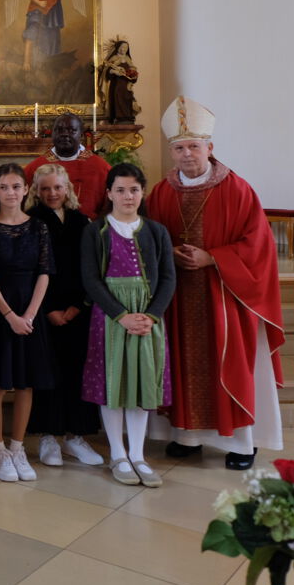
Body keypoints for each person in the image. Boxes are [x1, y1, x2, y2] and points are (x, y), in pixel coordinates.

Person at [149, 96, 284, 470]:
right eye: (179, 147)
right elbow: (150, 238)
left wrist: (213, 258)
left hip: (226, 296)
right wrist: (169, 253)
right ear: (171, 152)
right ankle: (187, 436)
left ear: (210, 147)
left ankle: (242, 444)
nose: (187, 153)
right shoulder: (161, 192)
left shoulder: (237, 190)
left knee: (232, 363)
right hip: (178, 296)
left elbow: (257, 246)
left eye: (194, 145)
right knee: (182, 363)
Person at [81, 163, 176, 487]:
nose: (127, 196)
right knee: (115, 385)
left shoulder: (155, 231)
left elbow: (167, 278)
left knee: (141, 383)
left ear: (143, 192)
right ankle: (118, 454)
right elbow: (91, 279)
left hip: (148, 316)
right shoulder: (96, 231)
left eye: (134, 190)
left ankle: (138, 454)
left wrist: (150, 315)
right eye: (120, 190)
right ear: (109, 193)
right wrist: (120, 314)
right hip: (111, 317)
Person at [0, 163, 54, 483]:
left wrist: (30, 316)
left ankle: (18, 447)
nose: (11, 192)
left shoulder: (38, 227)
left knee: (25, 382)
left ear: (26, 190)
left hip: (30, 310)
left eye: (16, 186)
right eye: (4, 187)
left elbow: (45, 272)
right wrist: (9, 315)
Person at [26, 164, 104, 468]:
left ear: (67, 188)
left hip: (78, 311)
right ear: (36, 191)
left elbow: (92, 268)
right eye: (45, 188)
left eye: (57, 187)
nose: (52, 194)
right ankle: (49, 437)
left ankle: (75, 437)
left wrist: (78, 306)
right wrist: (48, 310)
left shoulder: (82, 222)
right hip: (44, 312)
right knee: (48, 372)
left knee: (78, 371)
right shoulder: (32, 221)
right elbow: (33, 269)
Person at [23, 113, 110, 218]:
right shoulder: (35, 168)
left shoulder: (101, 168)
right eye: (59, 130)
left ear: (81, 135)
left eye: (72, 130)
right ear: (52, 134)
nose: (65, 134)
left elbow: (110, 206)